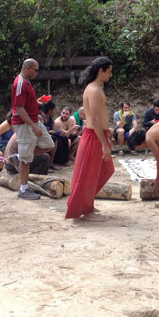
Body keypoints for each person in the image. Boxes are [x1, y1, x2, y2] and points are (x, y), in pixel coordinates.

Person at [65, 57, 115, 221]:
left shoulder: (96, 87)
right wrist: (104, 144)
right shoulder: (94, 89)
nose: (110, 75)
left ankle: (88, 204)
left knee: (104, 169)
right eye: (108, 71)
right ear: (100, 71)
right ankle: (86, 211)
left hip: (98, 134)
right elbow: (94, 118)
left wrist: (106, 138)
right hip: (93, 136)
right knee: (89, 174)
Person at [10, 59, 56, 200]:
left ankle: (19, 156)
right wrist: (33, 126)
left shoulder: (27, 82)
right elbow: (19, 108)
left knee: (49, 144)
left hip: (33, 121)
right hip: (25, 124)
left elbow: (25, 104)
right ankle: (23, 190)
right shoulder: (20, 83)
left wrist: (37, 102)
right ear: (28, 68)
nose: (37, 73)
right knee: (26, 161)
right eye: (35, 70)